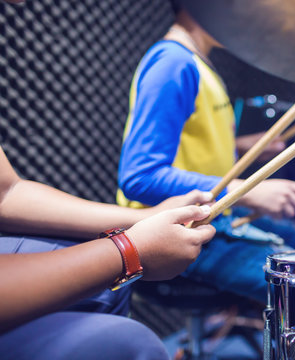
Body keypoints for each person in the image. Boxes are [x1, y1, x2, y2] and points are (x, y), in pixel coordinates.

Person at [0, 3, 216, 359]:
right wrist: (129, 251)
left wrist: (140, 220)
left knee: (106, 289)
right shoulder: (172, 63)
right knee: (129, 343)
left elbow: (6, 193)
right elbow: (141, 175)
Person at [116, 1, 295, 303]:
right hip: (175, 226)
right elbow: (140, 178)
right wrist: (247, 191)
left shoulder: (198, 61)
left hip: (211, 212)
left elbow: (188, 137)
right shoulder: (172, 63)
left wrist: (241, 146)